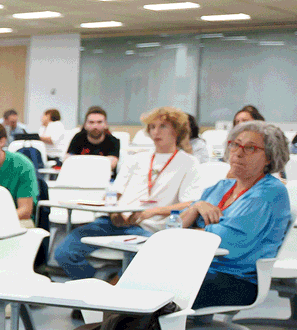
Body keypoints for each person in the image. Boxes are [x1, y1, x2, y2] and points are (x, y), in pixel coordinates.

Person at [54, 106, 203, 279]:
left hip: (146, 227)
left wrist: (148, 213)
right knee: (64, 253)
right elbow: (113, 194)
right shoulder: (137, 158)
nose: (155, 132)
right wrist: (112, 213)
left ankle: (115, 289)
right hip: (113, 221)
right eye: (152, 127)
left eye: (162, 127)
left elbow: (189, 203)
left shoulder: (188, 163)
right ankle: (99, 289)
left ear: (177, 131)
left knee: (138, 265)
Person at [157, 122, 290, 309]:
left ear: (269, 157)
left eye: (250, 148)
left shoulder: (270, 192)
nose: (238, 153)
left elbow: (223, 241)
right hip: (202, 270)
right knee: (142, 279)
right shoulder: (222, 187)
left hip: (237, 280)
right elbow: (172, 227)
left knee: (158, 290)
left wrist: (194, 227)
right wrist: (197, 207)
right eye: (235, 144)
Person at [65, 105, 120, 171]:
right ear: (85, 125)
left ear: (106, 125)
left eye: (99, 122)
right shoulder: (78, 138)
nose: (95, 126)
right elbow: (68, 160)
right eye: (91, 122)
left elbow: (111, 165)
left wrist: (81, 164)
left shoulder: (113, 141)